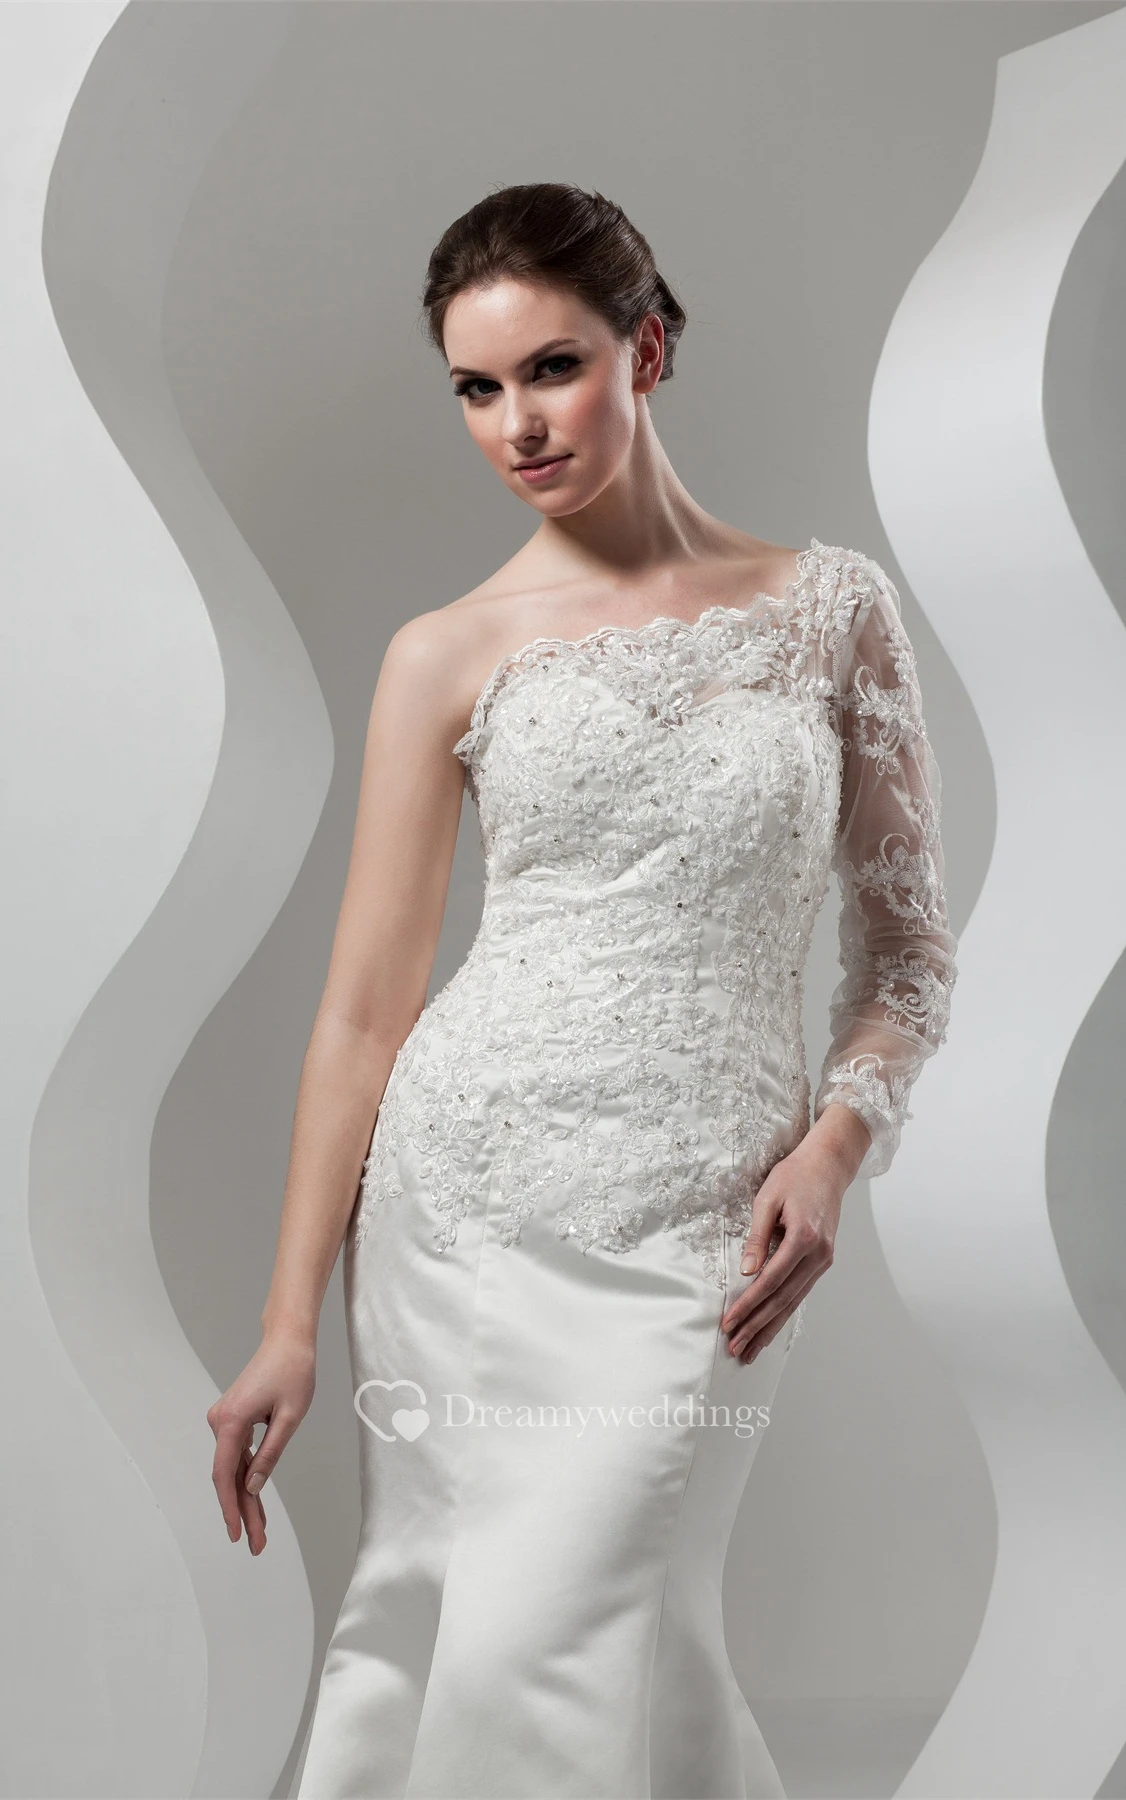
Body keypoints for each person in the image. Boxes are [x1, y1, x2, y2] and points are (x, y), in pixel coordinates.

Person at [207, 182, 959, 1800]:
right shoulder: (445, 650)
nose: (517, 425)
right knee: (469, 1622)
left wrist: (833, 1149)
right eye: (477, 389)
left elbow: (907, 957)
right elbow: (361, 1014)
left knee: (599, 1620)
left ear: (648, 348)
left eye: (551, 368)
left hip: (706, 1211)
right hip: (464, 1204)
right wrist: (285, 1325)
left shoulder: (832, 613)